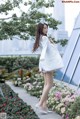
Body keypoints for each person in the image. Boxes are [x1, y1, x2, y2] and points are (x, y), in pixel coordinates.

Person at [32, 23, 64, 114]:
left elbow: (44, 50)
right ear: (41, 29)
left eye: (47, 28)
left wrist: (41, 63)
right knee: (49, 84)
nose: (46, 29)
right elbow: (45, 50)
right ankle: (40, 103)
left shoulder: (41, 38)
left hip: (44, 63)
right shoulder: (44, 38)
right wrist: (42, 60)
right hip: (48, 63)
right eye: (44, 28)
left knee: (46, 84)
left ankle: (44, 107)